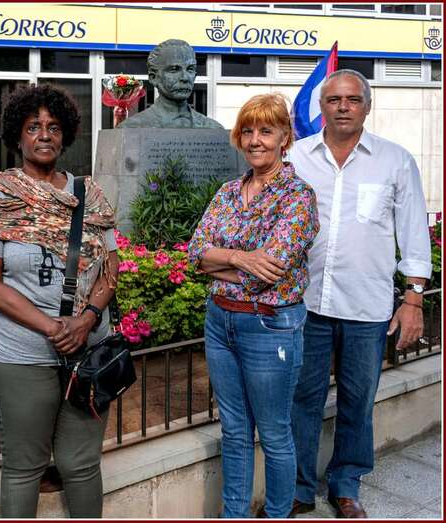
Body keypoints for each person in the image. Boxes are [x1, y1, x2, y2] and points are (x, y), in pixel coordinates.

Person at [0, 84, 118, 518]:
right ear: (18, 136)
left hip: (87, 353)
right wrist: (53, 328)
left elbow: (111, 267)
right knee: (24, 465)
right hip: (22, 355)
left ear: (66, 134)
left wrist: (86, 321)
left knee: (81, 463)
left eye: (53, 127)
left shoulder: (88, 194)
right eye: (33, 127)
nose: (44, 135)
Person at [287, 70, 432, 519]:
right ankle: (297, 488)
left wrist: (413, 298)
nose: (343, 106)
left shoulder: (394, 160)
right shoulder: (295, 157)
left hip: (367, 307)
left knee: (357, 399)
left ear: (366, 106)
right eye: (334, 99)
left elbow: (412, 231)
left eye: (352, 99)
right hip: (305, 303)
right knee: (302, 399)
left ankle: (346, 485)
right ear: (322, 106)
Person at [187, 93, 319, 518]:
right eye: (248, 130)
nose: (255, 139)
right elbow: (193, 253)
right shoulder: (228, 192)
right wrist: (241, 258)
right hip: (219, 322)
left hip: (270, 327)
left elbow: (273, 270)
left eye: (266, 130)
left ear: (285, 137)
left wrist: (218, 261)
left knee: (276, 434)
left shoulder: (298, 197)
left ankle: (278, 513)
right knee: (235, 431)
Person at [118, 39, 222, 129]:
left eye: (190, 69)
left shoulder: (213, 128)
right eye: (174, 70)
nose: (185, 78)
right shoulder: (133, 127)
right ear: (153, 78)